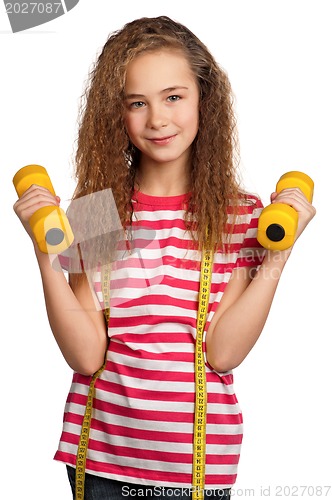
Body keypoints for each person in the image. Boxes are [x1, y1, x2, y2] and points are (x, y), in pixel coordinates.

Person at [13, 15, 315, 500]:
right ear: (117, 114)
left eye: (174, 96)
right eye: (138, 102)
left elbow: (223, 352)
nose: (157, 119)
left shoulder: (243, 216)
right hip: (100, 461)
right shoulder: (98, 211)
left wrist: (278, 259)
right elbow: (86, 355)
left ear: (204, 101)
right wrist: (43, 254)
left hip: (198, 466)